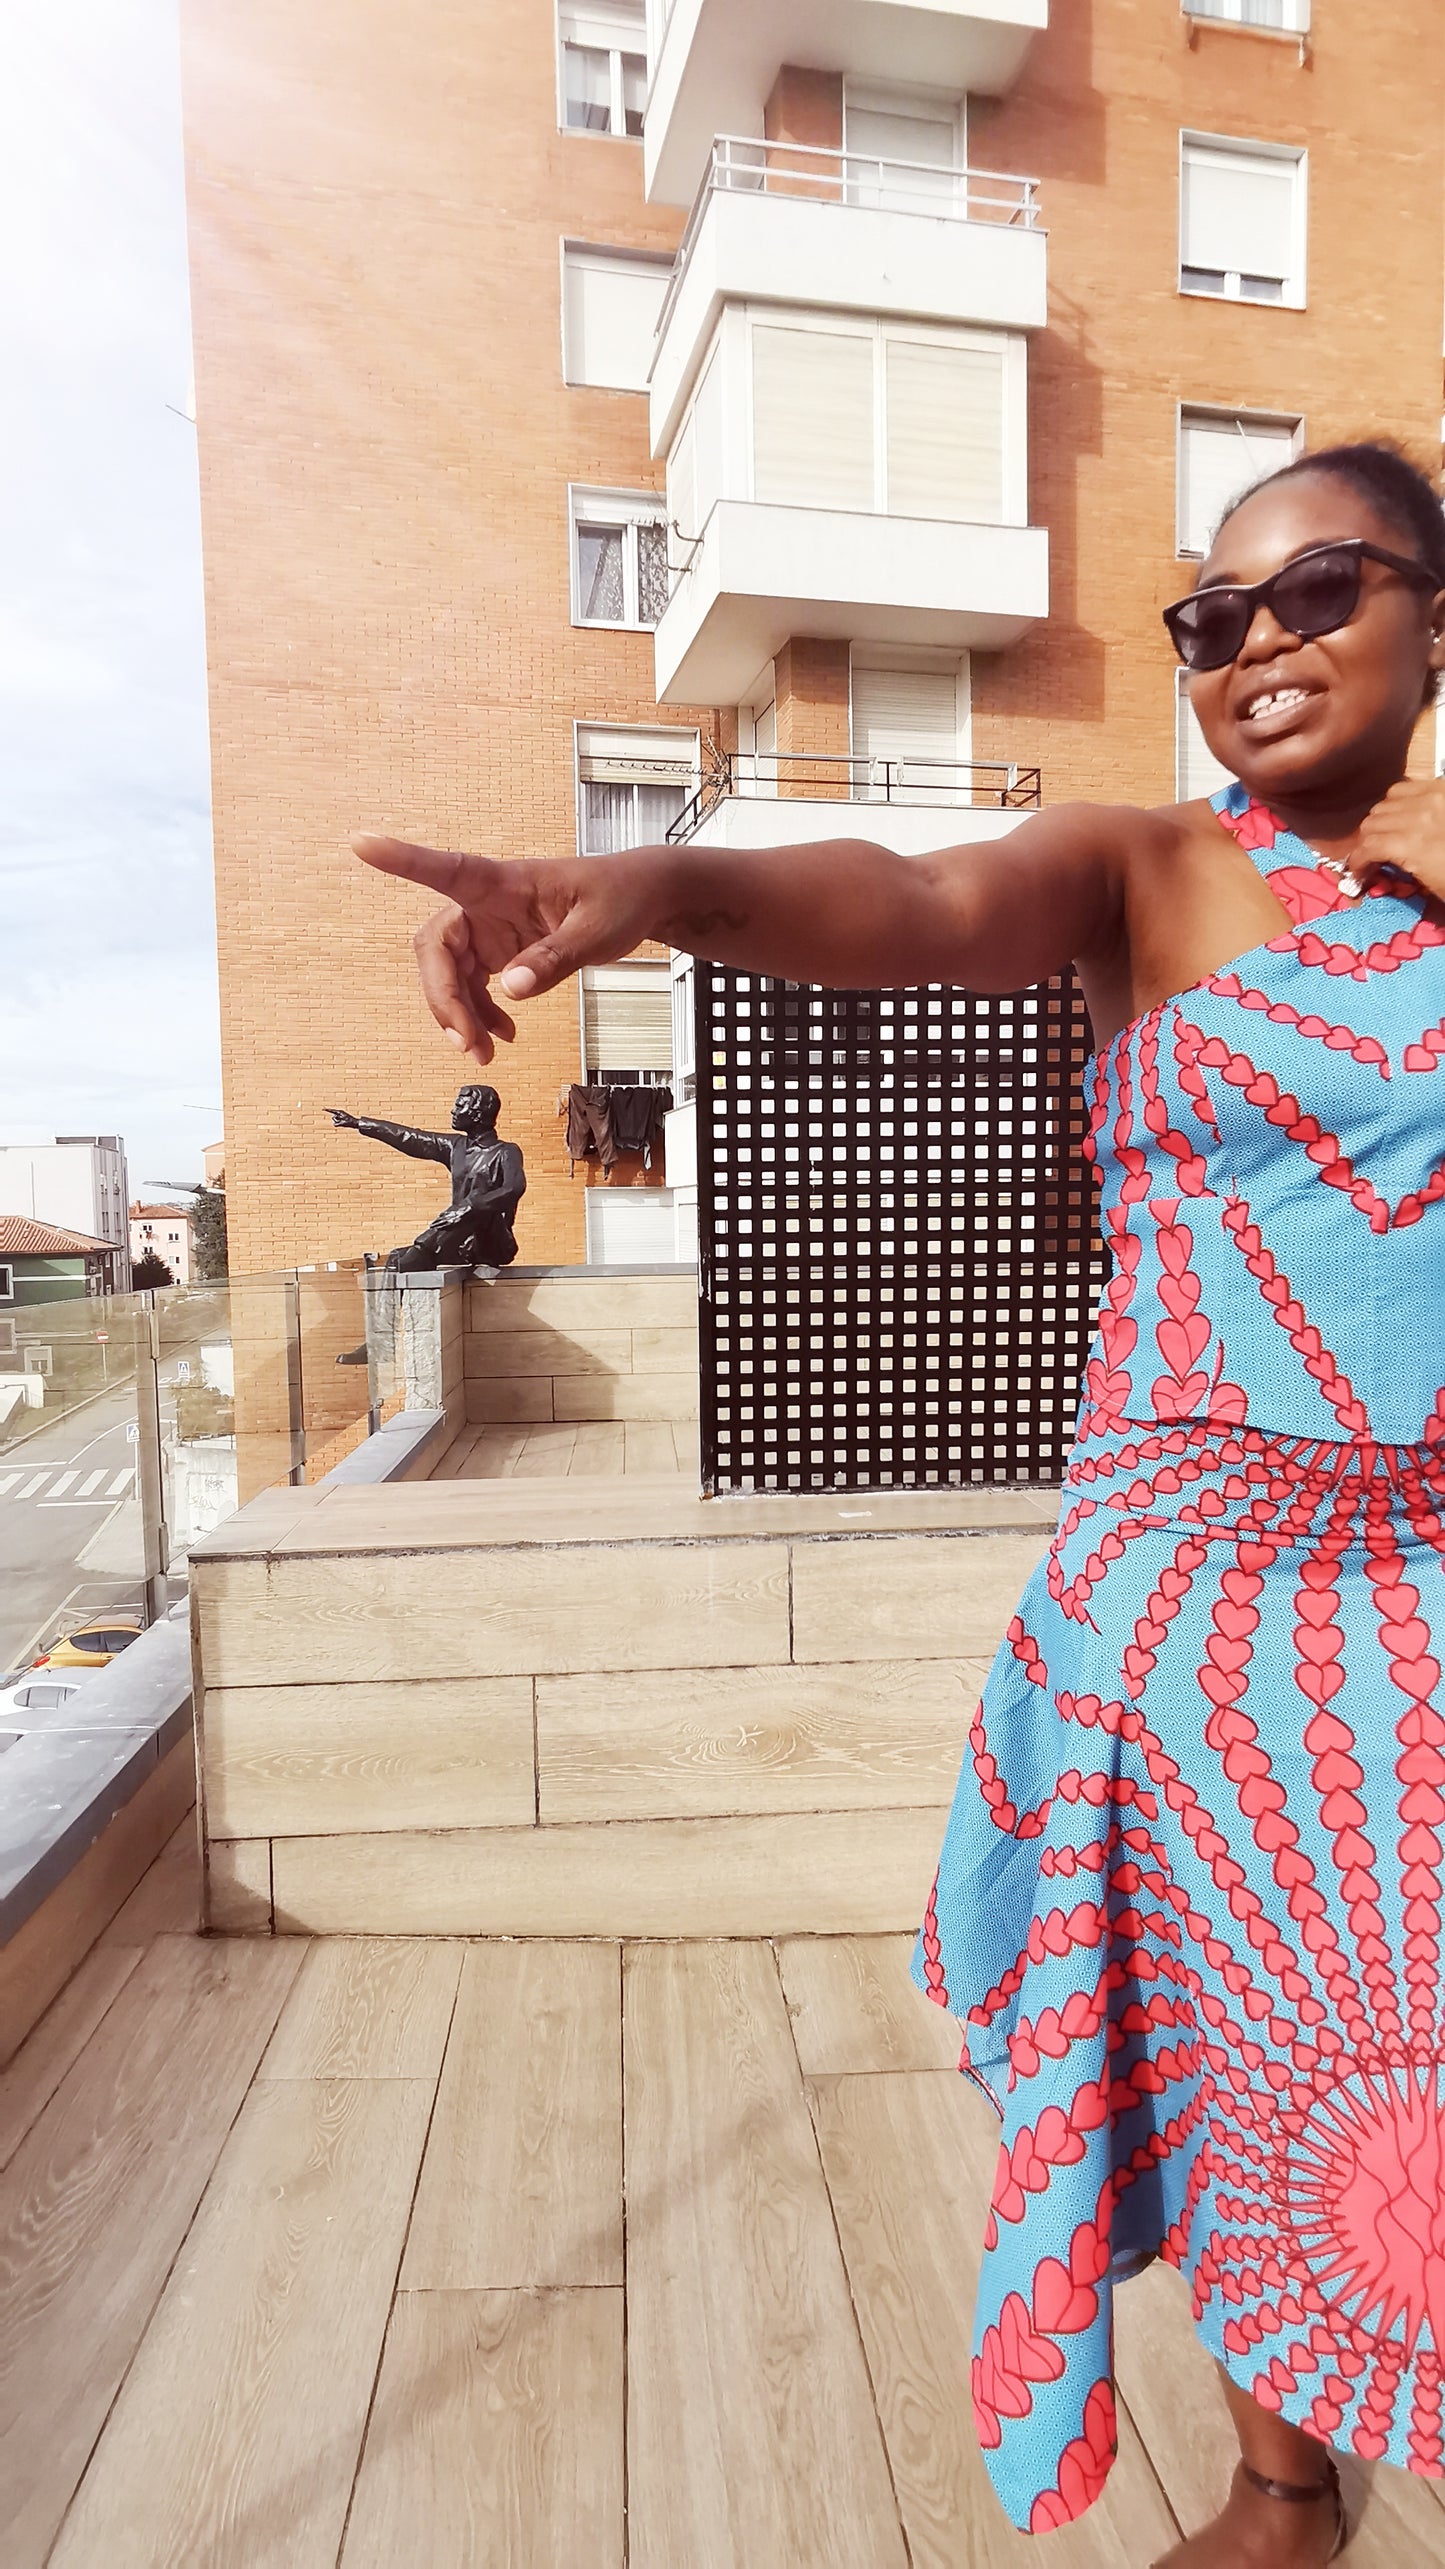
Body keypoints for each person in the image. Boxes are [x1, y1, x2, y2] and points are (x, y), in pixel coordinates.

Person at [355, 441, 1445, 2565]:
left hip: (1404, 1596)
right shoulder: (1143, 869)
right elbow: (922, 905)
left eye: (1311, 588)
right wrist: (660, 888)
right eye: (1206, 622)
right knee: (1229, 2041)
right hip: (1183, 1611)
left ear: (1427, 615)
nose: (1251, 649)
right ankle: (1281, 2484)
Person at [327, 1083, 525, 1271]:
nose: (453, 1111)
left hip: (493, 1245)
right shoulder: (456, 1147)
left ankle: (423, 1250)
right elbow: (411, 1138)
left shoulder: (506, 1151)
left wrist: (469, 1207)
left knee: (478, 1206)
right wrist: (358, 1123)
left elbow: (513, 1188)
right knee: (397, 1260)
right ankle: (418, 1259)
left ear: (477, 1115)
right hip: (457, 1243)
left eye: (459, 1106)